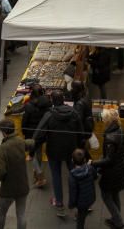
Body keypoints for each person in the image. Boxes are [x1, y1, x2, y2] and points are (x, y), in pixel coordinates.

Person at [33, 89, 84, 217]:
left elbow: (38, 134)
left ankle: (60, 204)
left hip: (54, 151)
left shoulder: (49, 115)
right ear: (63, 100)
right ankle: (76, 204)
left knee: (56, 176)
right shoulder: (74, 113)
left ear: (52, 101)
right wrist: (79, 146)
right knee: (75, 175)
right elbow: (81, 133)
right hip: (71, 150)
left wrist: (34, 146)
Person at [94, 107, 124, 229]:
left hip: (112, 173)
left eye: (103, 117)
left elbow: (109, 159)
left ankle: (118, 222)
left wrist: (93, 163)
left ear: (108, 120)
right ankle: (115, 218)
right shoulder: (121, 129)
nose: (102, 119)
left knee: (106, 195)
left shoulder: (110, 137)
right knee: (115, 194)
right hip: (121, 169)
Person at [0, 118, 30, 229]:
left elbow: (1, 171)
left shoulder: (2, 149)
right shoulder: (20, 141)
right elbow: (31, 143)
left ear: (4, 132)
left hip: (8, 189)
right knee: (21, 215)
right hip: (22, 186)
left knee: (1, 214)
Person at [21, 83, 50, 189]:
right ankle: (36, 172)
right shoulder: (47, 103)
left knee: (32, 154)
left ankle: (40, 175)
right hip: (42, 132)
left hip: (32, 133)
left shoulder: (29, 106)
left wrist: (24, 132)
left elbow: (25, 121)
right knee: (38, 151)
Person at [68, 148, 97, 229]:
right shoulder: (90, 168)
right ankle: (85, 211)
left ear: (72, 161)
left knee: (80, 220)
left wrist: (71, 204)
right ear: (84, 159)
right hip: (90, 197)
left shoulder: (72, 176)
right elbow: (95, 176)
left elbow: (72, 192)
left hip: (80, 202)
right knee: (83, 212)